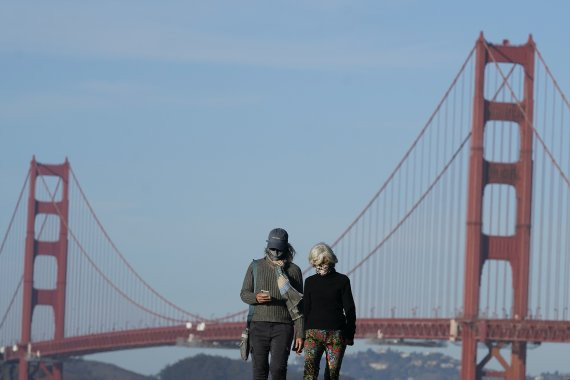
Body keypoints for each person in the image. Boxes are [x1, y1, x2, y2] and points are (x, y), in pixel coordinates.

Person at [240, 227, 304, 380]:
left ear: (286, 248)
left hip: (283, 326)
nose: (275, 252)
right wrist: (256, 297)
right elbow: (244, 294)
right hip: (258, 325)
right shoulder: (255, 266)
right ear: (267, 246)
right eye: (272, 248)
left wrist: (301, 333)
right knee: (259, 371)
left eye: (278, 248)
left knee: (278, 370)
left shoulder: (294, 271)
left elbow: (299, 305)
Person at [303, 242, 356, 380]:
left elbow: (350, 309)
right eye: (318, 262)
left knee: (331, 376)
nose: (322, 264)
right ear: (313, 262)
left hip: (336, 334)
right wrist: (300, 336)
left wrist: (349, 334)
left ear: (331, 259)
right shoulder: (309, 282)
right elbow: (305, 310)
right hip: (312, 334)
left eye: (324, 261)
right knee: (310, 375)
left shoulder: (343, 281)